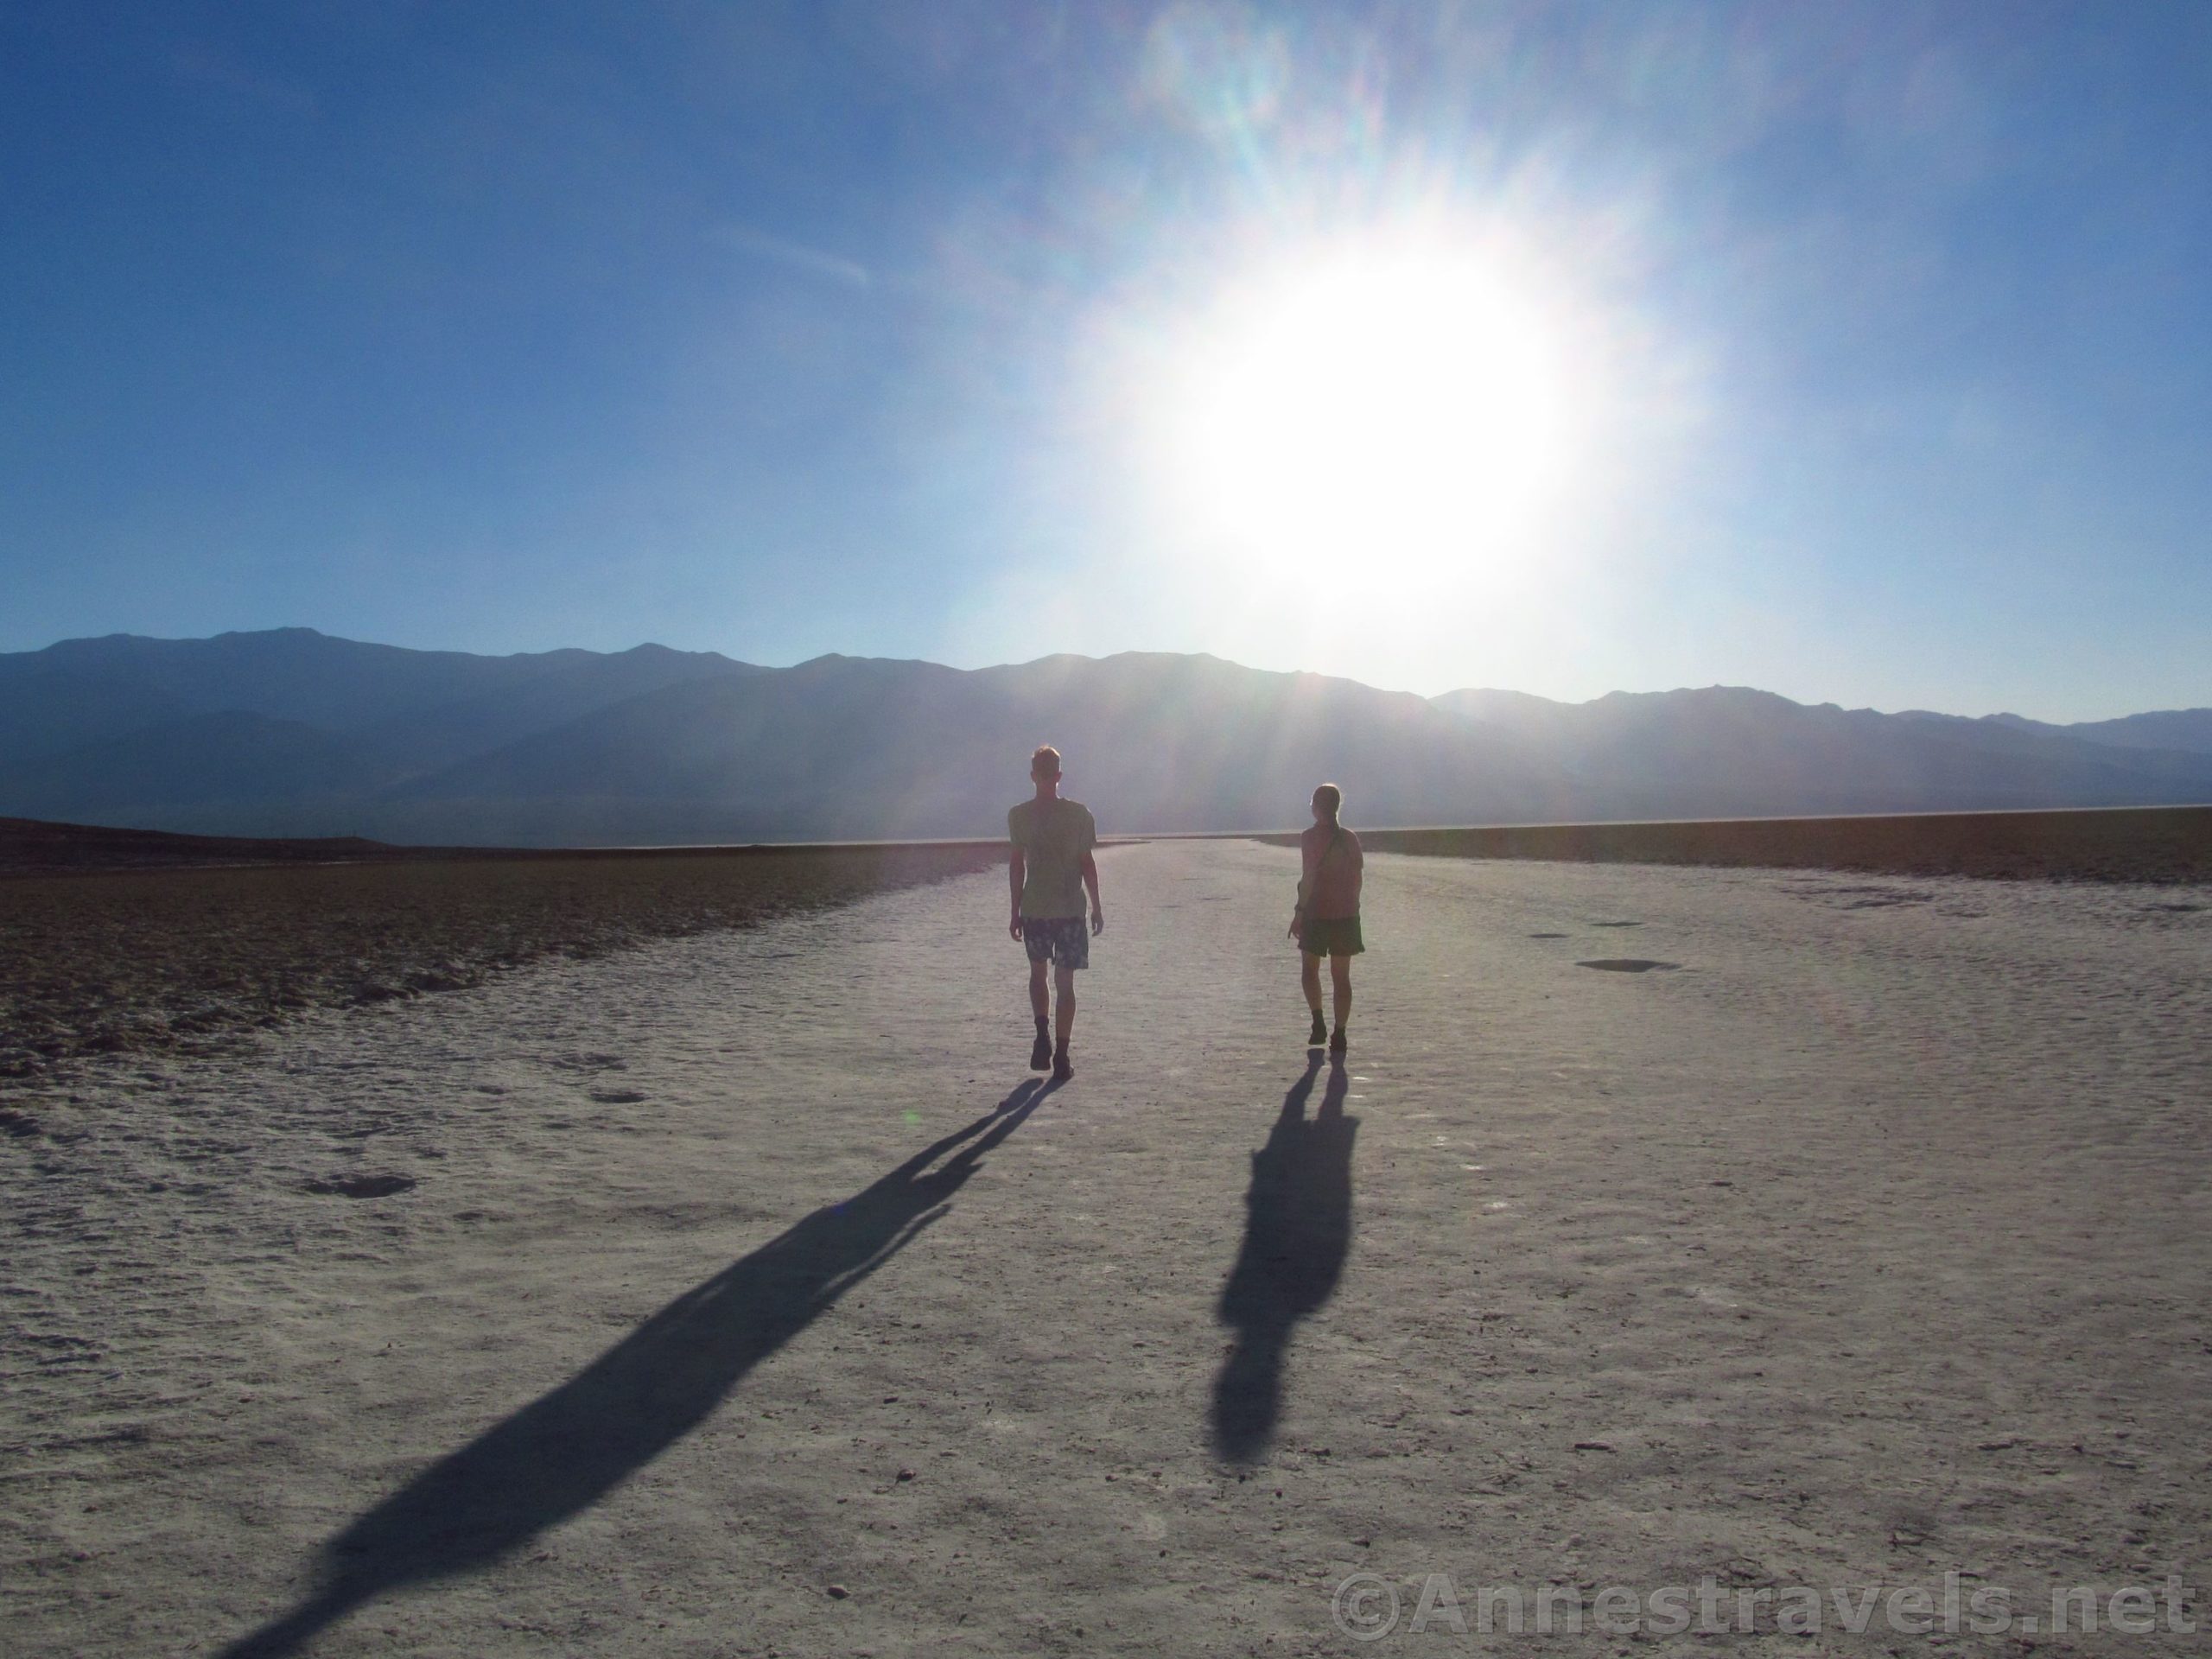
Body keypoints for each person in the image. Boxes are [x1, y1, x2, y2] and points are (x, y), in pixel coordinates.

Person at [1008, 745, 1103, 1081]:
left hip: (1035, 908)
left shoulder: (1019, 815)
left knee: (1038, 976)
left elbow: (1017, 867)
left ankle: (1042, 1035)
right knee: (1065, 983)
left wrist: (1014, 910)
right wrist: (1096, 906)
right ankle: (1062, 1054)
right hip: (1070, 911)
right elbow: (1087, 864)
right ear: (1059, 776)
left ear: (1033, 776)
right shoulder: (1079, 815)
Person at [1287, 782, 1363, 1054]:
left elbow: (1308, 878)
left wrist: (1298, 913)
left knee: (1310, 969)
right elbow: (1357, 878)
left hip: (1316, 914)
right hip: (1345, 915)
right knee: (1341, 976)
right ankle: (1340, 1033)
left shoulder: (1309, 837)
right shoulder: (1350, 838)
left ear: (1317, 807)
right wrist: (1352, 906)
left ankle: (1318, 1020)